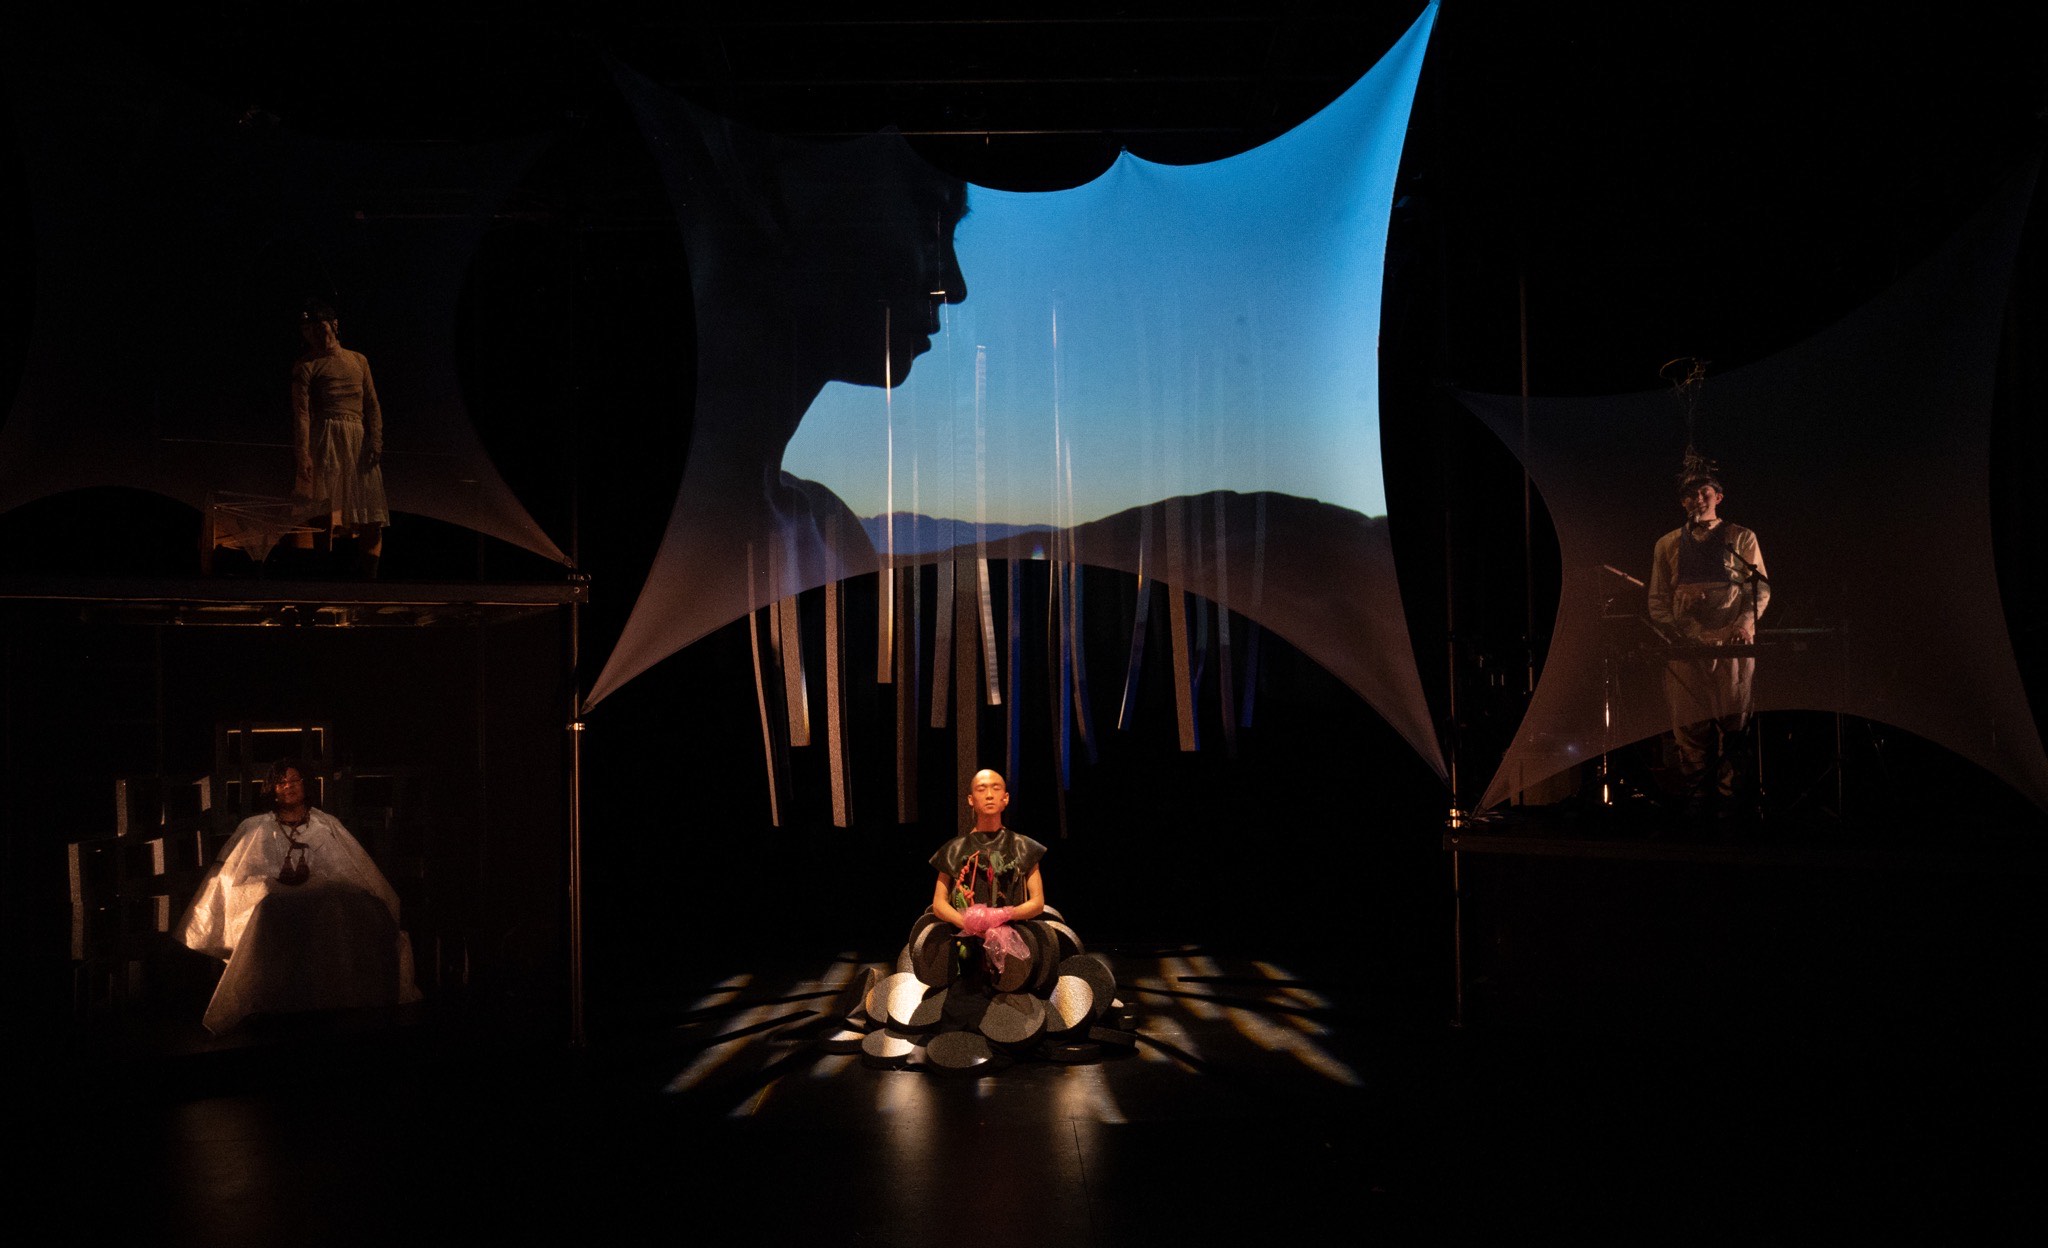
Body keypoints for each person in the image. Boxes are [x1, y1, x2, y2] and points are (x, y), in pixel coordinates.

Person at [176, 759, 420, 1033]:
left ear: (305, 785)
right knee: (269, 907)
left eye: (295, 780)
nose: (289, 786)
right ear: (272, 789)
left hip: (322, 900)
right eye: (282, 782)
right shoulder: (255, 827)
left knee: (360, 905)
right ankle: (269, 1002)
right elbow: (237, 876)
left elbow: (351, 869)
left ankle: (342, 997)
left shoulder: (326, 824)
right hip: (273, 903)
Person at [1647, 463, 1770, 816]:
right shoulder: (1667, 544)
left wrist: (1745, 623)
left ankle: (1729, 797)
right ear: (1683, 502)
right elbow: (1657, 599)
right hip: (1687, 645)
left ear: (1718, 497)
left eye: (1704, 493)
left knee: (1733, 722)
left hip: (1731, 642)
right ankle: (1697, 797)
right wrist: (1682, 634)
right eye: (1690, 494)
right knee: (1690, 723)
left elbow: (1758, 588)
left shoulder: (1741, 537)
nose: (1697, 499)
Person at [290, 299, 389, 578]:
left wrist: (376, 439)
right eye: (307, 330)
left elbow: (372, 403)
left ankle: (370, 579)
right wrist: (303, 453)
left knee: (370, 512)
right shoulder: (306, 365)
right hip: (326, 438)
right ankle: (325, 575)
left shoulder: (358, 360)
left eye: (319, 327)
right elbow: (301, 414)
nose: (313, 334)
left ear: (334, 326)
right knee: (324, 509)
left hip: (357, 437)